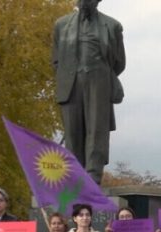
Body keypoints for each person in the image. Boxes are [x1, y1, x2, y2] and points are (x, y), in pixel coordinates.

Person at [52, 0, 126, 184]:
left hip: (99, 81)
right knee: (73, 131)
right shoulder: (61, 25)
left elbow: (119, 62)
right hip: (71, 82)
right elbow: (56, 60)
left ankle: (93, 177)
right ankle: (74, 176)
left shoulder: (112, 26)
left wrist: (99, 73)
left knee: (97, 130)